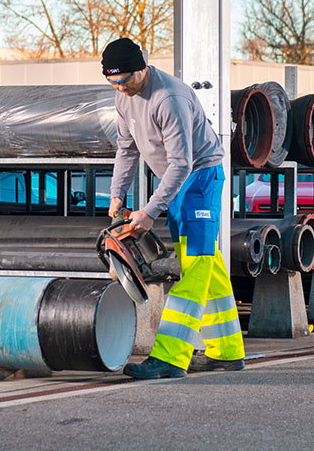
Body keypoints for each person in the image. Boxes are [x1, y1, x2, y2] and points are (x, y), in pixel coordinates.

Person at [102, 37, 245, 379]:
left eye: (125, 80)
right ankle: (227, 351)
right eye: (112, 82)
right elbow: (126, 148)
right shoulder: (124, 99)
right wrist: (117, 195)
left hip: (199, 180)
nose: (120, 88)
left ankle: (169, 357)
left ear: (143, 68)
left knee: (193, 269)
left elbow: (181, 164)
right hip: (179, 182)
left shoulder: (170, 98)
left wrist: (150, 212)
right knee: (209, 265)